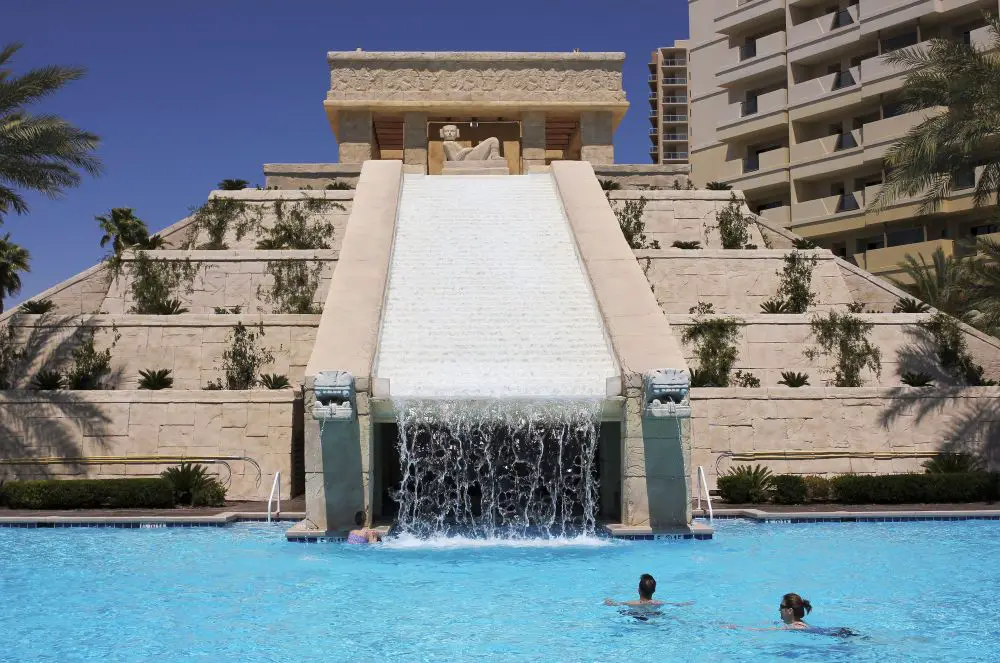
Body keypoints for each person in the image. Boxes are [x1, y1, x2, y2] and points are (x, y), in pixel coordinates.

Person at [604, 574, 693, 608]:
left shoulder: (632, 603)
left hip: (637, 617)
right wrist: (686, 603)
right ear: (654, 591)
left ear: (638, 590)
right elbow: (675, 604)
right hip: (654, 615)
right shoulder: (658, 603)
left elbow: (615, 604)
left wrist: (608, 601)